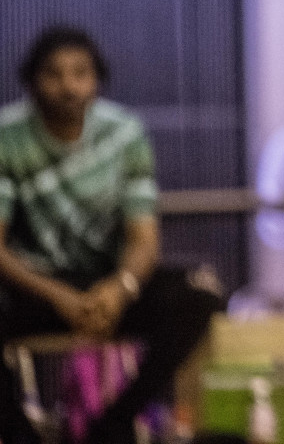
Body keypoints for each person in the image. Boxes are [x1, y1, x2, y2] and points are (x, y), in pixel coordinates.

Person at [0, 27, 222, 444]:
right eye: (54, 74)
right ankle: (17, 432)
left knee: (201, 293)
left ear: (96, 79)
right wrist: (57, 295)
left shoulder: (125, 133)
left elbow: (144, 239)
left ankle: (115, 423)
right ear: (32, 81)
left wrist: (120, 288)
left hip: (105, 287)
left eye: (79, 72)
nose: (68, 85)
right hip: (34, 287)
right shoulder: (7, 137)